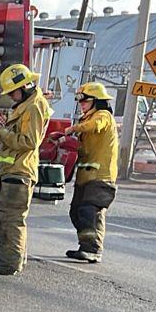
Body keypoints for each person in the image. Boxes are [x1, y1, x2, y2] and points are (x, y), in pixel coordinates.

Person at [0, 63, 51, 275]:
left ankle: (8, 263)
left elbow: (29, 142)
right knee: (6, 218)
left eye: (13, 92)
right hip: (13, 171)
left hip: (19, 172)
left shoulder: (34, 107)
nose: (10, 96)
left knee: (9, 219)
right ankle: (10, 258)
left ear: (25, 86)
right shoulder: (27, 105)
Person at [64, 82, 118, 263]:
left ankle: (93, 249)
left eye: (86, 100)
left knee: (90, 210)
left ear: (97, 101)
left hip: (101, 176)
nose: (82, 104)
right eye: (80, 101)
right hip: (85, 176)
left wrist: (73, 129)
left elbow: (96, 125)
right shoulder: (85, 119)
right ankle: (86, 245)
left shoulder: (103, 116)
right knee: (76, 212)